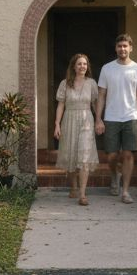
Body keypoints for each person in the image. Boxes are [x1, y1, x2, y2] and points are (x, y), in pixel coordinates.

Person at [95, 33, 137, 204]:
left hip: (131, 117)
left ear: (130, 48)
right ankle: (114, 176)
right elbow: (101, 95)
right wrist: (99, 119)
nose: (122, 49)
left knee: (127, 155)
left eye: (125, 46)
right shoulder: (107, 68)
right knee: (111, 156)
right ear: (116, 48)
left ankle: (125, 191)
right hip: (111, 117)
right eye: (120, 46)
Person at [53, 53, 101, 206]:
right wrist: (57, 124)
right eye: (79, 64)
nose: (82, 67)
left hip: (86, 119)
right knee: (72, 153)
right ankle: (73, 187)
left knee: (84, 155)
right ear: (74, 66)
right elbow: (61, 105)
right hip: (69, 119)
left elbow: (95, 104)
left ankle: (82, 194)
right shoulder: (65, 83)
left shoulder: (92, 83)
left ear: (87, 67)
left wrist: (99, 120)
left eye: (85, 64)